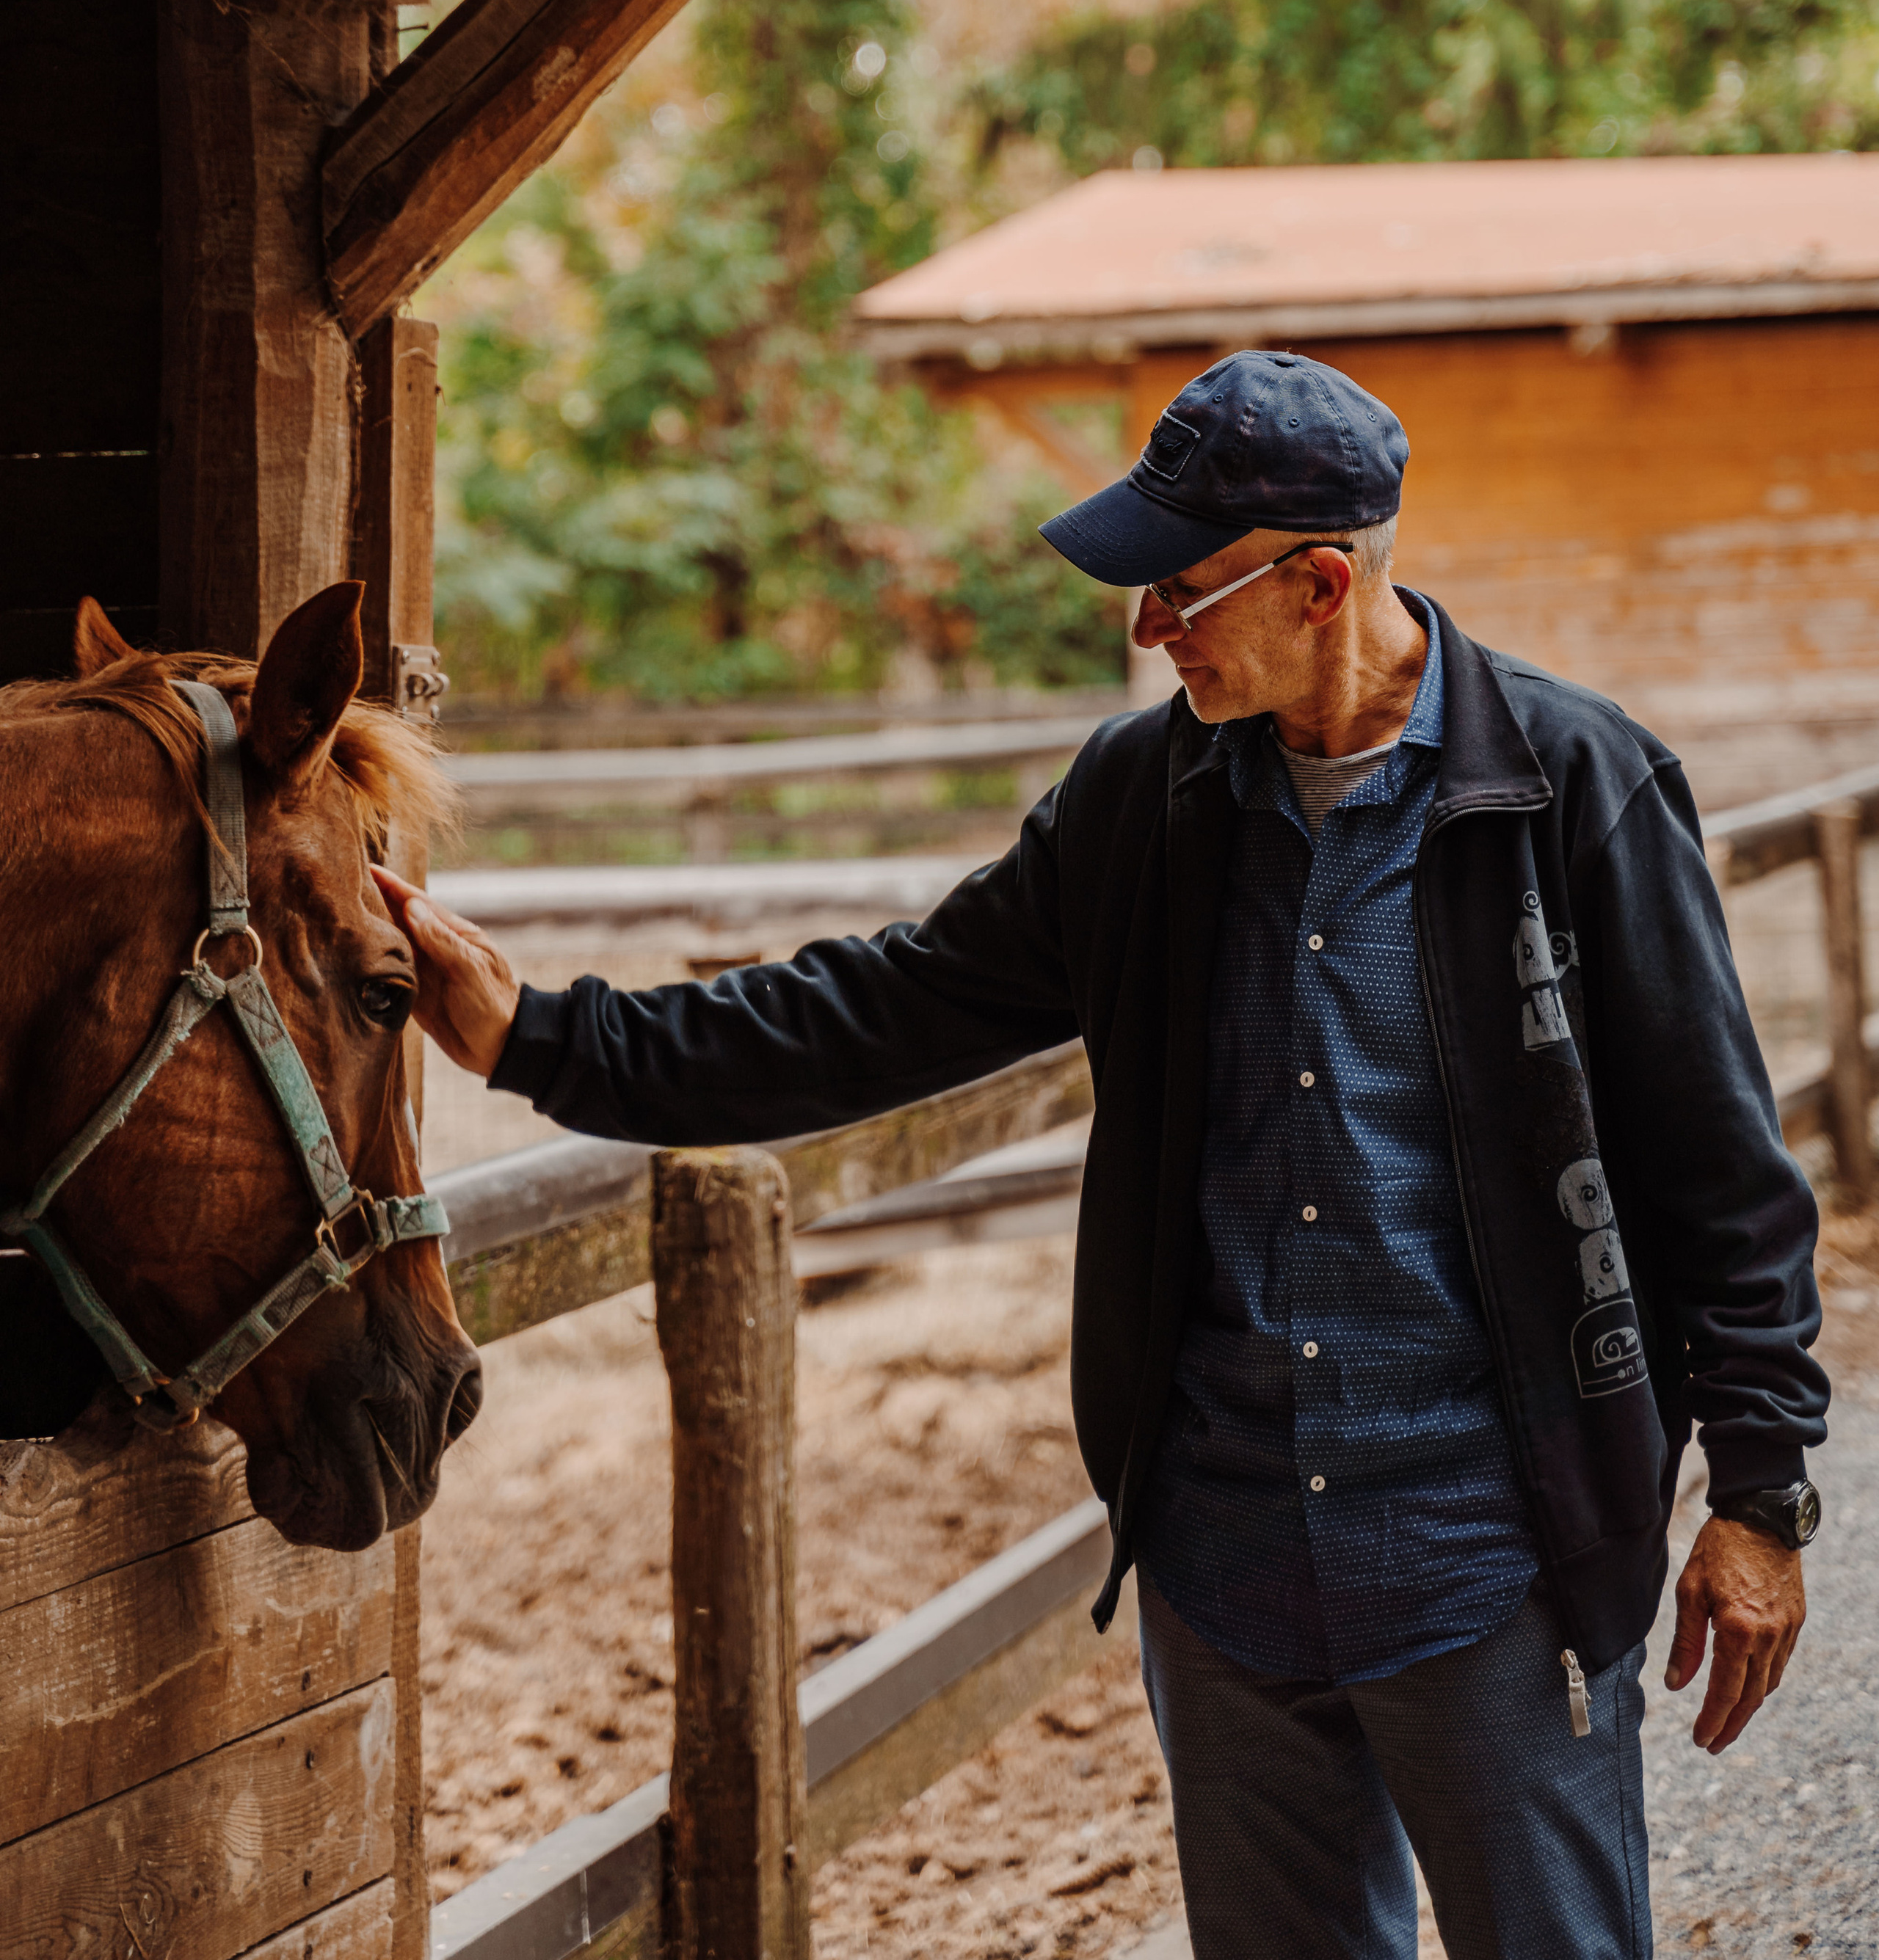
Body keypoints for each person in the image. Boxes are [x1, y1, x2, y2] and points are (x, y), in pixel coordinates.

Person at [382, 349, 1827, 1960]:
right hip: (1224, 1576)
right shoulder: (1140, 801)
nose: (1145, 627)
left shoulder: (1575, 790)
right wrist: (539, 1037)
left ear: (1320, 583)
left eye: (1177, 591)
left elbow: (1723, 1182)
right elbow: (881, 1008)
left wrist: (1756, 1496)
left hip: (1492, 1570)